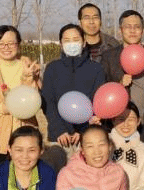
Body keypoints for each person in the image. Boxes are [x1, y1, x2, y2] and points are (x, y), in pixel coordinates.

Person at [0, 25, 42, 170]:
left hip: (24, 133)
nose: (6, 47)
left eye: (11, 43)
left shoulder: (29, 66)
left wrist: (28, 78)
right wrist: (2, 108)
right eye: (1, 43)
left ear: (18, 44)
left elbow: (33, 100)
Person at [41, 24, 105, 153]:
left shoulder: (96, 69)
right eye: (67, 40)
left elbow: (98, 101)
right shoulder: (52, 68)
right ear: (61, 44)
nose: (71, 44)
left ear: (84, 42)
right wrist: (59, 130)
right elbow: (48, 102)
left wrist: (83, 130)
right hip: (59, 138)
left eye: (76, 39)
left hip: (87, 137)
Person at [100, 10, 144, 121]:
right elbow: (102, 88)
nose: (132, 31)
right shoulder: (109, 57)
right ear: (120, 30)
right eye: (128, 27)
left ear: (143, 31)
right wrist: (119, 85)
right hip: (119, 121)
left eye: (137, 27)